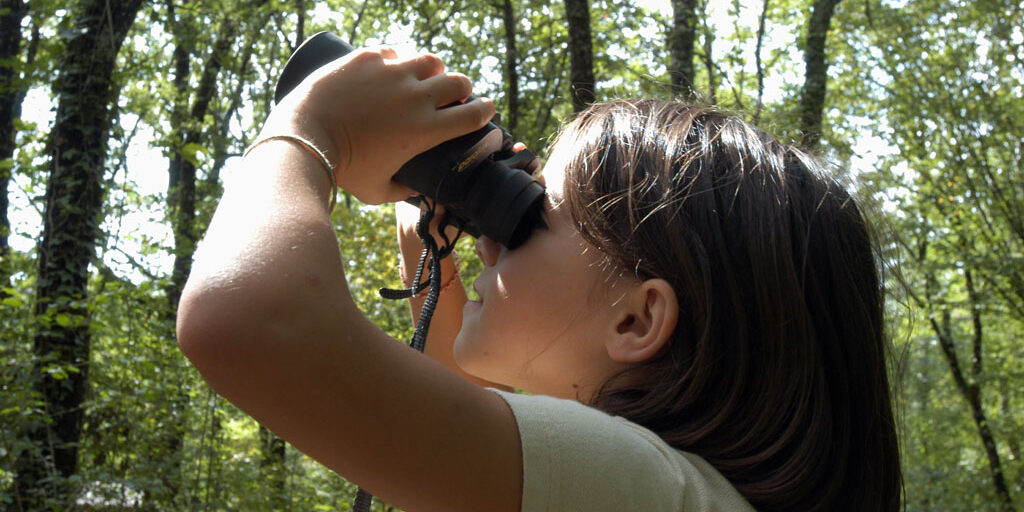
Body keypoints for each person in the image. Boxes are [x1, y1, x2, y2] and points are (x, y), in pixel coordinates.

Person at [176, 47, 902, 512]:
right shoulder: (684, 494)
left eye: (532, 214)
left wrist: (309, 131)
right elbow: (457, 419)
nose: (493, 241)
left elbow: (246, 321)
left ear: (636, 320)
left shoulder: (643, 486)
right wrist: (437, 250)